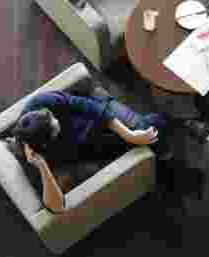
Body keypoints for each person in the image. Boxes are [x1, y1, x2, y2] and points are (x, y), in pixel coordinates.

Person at [10, 88, 167, 212]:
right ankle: (165, 155)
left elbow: (86, 105)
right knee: (154, 124)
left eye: (52, 116)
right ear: (45, 143)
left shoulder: (41, 103)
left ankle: (164, 156)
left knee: (146, 128)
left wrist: (129, 135)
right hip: (89, 147)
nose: (56, 120)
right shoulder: (31, 156)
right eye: (54, 126)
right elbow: (56, 207)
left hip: (97, 116)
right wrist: (42, 165)